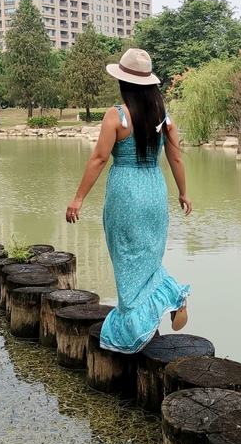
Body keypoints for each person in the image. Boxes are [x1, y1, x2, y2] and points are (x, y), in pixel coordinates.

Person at [65, 48, 192, 354]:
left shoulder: (117, 116)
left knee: (126, 258)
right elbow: (175, 157)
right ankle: (172, 297)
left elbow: (98, 159)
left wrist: (78, 198)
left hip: (125, 194)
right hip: (155, 191)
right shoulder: (164, 117)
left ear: (124, 84)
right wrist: (183, 192)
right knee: (148, 258)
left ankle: (135, 326)